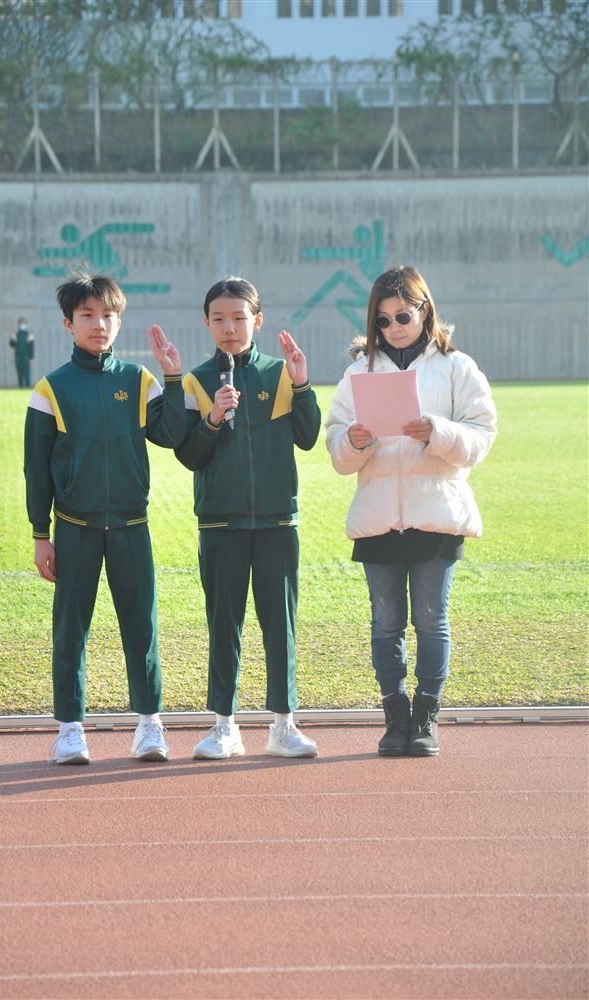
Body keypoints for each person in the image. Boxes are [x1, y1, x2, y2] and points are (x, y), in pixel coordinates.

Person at [325, 265, 497, 757]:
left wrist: (437, 432)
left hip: (436, 514)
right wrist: (353, 440)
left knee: (430, 619)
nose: (394, 326)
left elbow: (482, 435)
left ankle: (426, 717)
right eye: (382, 320)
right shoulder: (358, 373)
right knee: (385, 622)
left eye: (402, 315)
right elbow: (336, 449)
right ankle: (395, 717)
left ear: (425, 310)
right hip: (378, 517)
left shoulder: (456, 367)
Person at [24, 272, 186, 765]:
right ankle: (70, 730)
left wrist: (172, 377)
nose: (99, 324)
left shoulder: (139, 380)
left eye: (108, 315)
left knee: (142, 627)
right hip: (75, 529)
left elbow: (172, 435)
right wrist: (41, 534)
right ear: (68, 324)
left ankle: (149, 725)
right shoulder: (51, 389)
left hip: (132, 528)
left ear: (119, 321)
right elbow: (36, 468)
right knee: (70, 630)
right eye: (87, 315)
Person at [173, 276, 321, 760]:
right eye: (219, 319)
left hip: (278, 523)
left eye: (239, 318)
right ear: (207, 323)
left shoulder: (280, 373)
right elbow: (189, 455)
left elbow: (308, 437)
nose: (229, 328)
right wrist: (213, 419)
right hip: (220, 525)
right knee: (224, 626)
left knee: (280, 627)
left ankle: (283, 726)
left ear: (257, 321)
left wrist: (302, 385)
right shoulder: (197, 380)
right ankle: (224, 727)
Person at [10, 317, 35, 387]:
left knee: (27, 375)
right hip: (18, 357)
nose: (22, 324)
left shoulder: (29, 335)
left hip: (26, 358)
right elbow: (12, 345)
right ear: (18, 324)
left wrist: (31, 358)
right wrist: (12, 338)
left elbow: (31, 347)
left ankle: (28, 388)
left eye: (24, 323)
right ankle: (20, 388)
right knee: (19, 375)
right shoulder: (16, 334)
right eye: (21, 323)